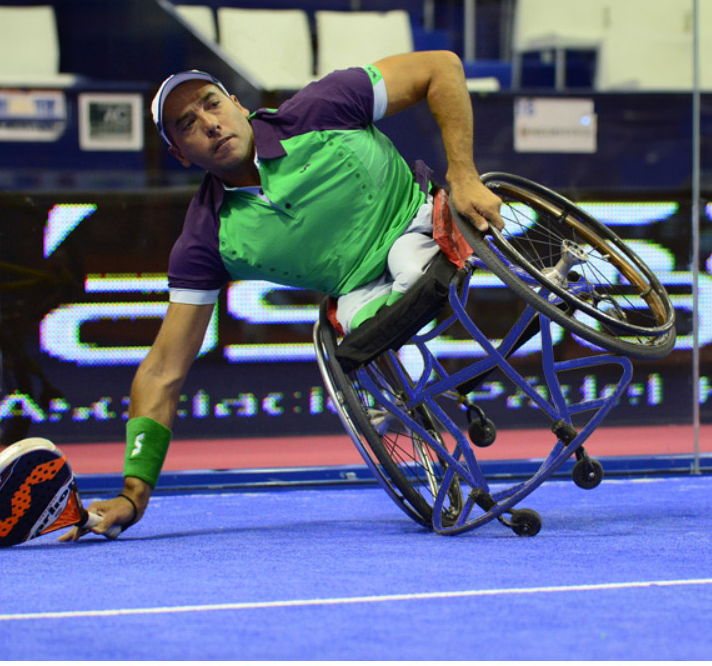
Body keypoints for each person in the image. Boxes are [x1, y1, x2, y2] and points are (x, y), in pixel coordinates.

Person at [60, 50, 503, 541]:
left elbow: (440, 66)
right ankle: (412, 398)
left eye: (211, 104)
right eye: (186, 124)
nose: (208, 124)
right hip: (359, 290)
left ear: (236, 103)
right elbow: (163, 369)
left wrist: (462, 173)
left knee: (409, 271)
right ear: (181, 154)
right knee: (357, 332)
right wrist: (132, 494)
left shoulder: (322, 107)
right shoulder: (207, 237)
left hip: (418, 223)